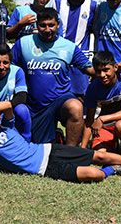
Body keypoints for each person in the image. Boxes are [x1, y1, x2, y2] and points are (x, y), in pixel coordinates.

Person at [12, 8, 94, 145]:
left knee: (76, 107)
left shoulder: (68, 47)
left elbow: (90, 69)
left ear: (58, 25)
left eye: (51, 25)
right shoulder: (23, 43)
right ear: (37, 26)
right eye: (43, 25)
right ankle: (55, 136)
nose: (47, 29)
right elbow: (9, 67)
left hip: (60, 99)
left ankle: (70, 151)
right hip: (34, 104)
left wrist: (114, 69)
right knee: (36, 144)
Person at [82, 51, 121, 157]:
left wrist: (102, 119)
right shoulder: (93, 87)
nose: (102, 75)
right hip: (106, 126)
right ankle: (113, 145)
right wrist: (82, 149)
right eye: (98, 71)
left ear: (115, 67)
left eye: (106, 70)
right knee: (100, 156)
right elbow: (89, 121)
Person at [53, 0, 97, 98]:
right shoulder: (58, 1)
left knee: (79, 96)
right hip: (59, 56)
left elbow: (94, 31)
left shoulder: (92, 5)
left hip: (80, 57)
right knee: (56, 95)